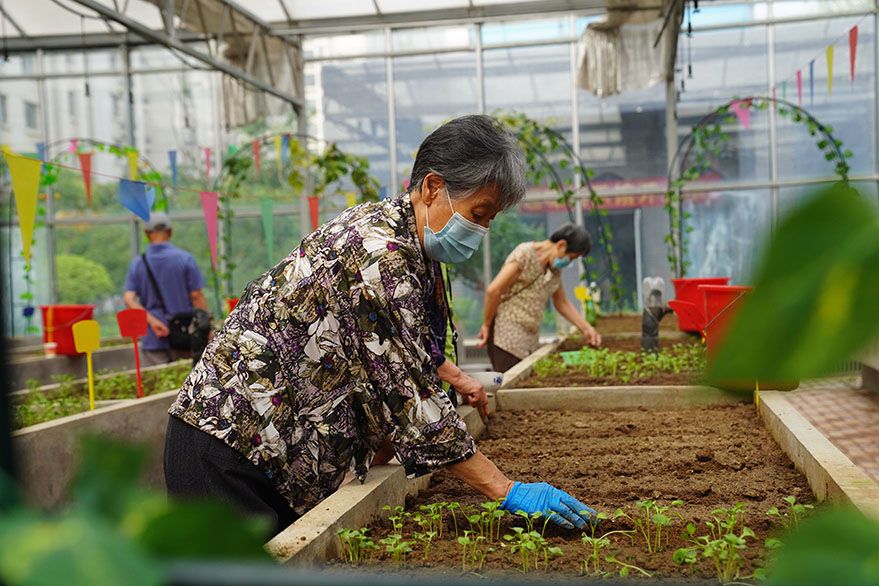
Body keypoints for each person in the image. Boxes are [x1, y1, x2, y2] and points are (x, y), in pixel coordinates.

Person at [163, 115, 597, 537]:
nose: (481, 229)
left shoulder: (411, 246)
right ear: (433, 187)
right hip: (230, 445)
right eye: (478, 213)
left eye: (489, 219)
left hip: (272, 454)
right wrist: (506, 489)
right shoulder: (379, 252)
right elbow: (409, 398)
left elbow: (395, 358)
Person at [476, 224, 602, 372]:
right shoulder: (525, 254)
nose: (569, 262)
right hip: (506, 336)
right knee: (509, 380)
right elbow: (494, 290)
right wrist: (486, 324)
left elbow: (561, 302)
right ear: (561, 245)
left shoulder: (554, 270)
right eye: (571, 257)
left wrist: (586, 328)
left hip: (529, 340)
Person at [123, 212, 209, 366]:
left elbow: (129, 299)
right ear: (170, 232)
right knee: (187, 377)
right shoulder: (185, 259)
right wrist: (206, 327)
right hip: (185, 333)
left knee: (159, 378)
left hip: (154, 338)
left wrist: (153, 321)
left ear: (147, 234)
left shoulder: (138, 263)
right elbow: (196, 296)